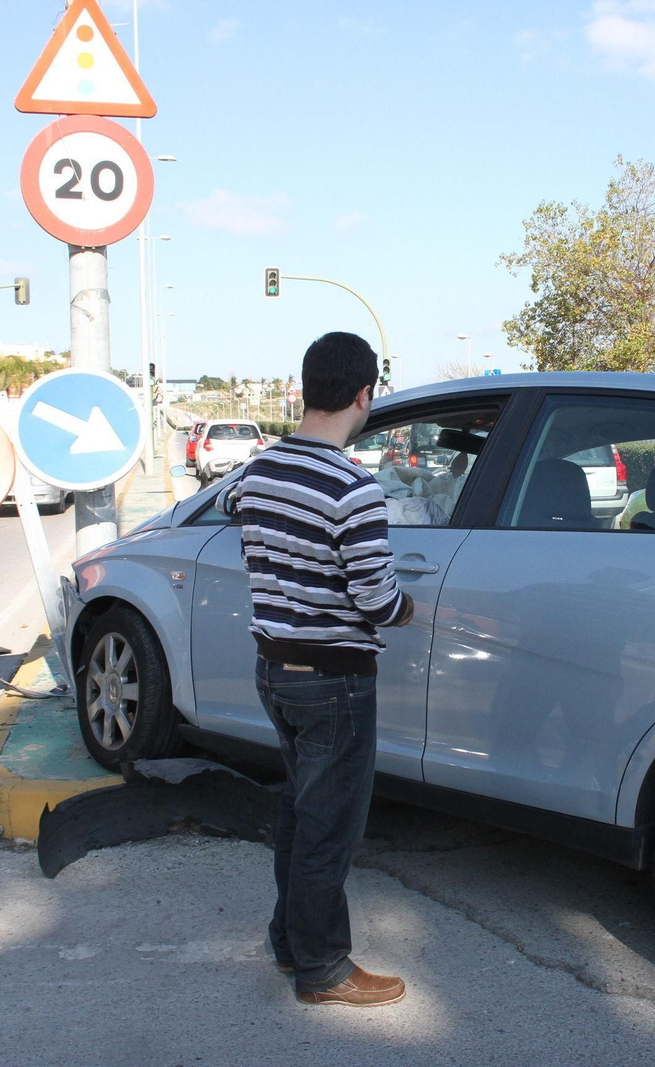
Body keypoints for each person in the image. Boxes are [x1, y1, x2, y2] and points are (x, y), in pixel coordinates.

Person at [237, 331, 414, 1008]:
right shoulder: (353, 487)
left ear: (310, 386)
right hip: (334, 681)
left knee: (300, 812)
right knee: (328, 828)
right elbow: (374, 596)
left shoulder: (258, 470)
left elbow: (246, 525)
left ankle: (290, 942)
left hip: (275, 671)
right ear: (364, 394)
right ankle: (323, 967)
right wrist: (407, 609)